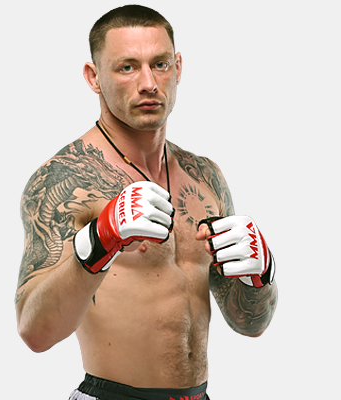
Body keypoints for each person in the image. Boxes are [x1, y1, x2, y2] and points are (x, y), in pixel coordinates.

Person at [15, 5, 278, 400]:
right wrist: (99, 242)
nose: (149, 83)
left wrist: (262, 274)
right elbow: (35, 333)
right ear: (93, 77)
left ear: (178, 67)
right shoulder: (66, 179)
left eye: (160, 64)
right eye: (127, 67)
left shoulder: (205, 177)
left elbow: (249, 324)